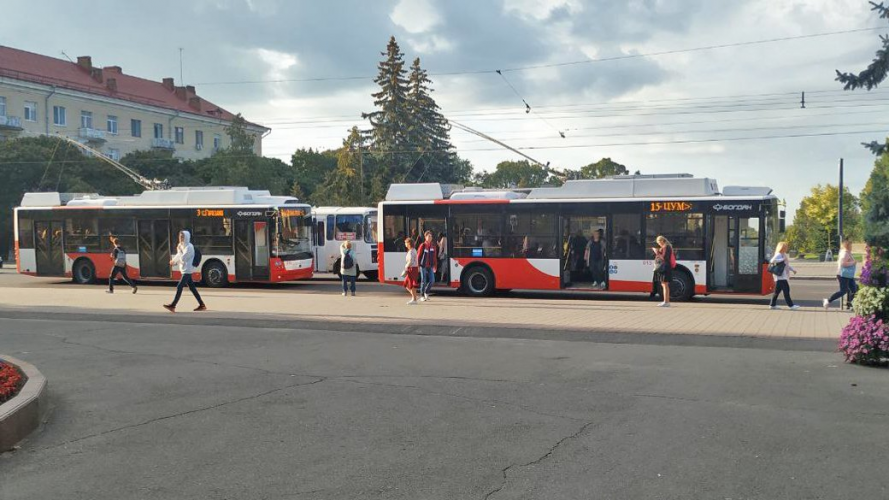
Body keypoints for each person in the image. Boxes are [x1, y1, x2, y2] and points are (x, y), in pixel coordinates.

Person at [163, 230, 206, 312]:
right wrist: (173, 260)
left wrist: (178, 255)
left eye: (182, 236)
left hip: (188, 269)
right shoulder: (181, 245)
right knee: (192, 288)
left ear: (186, 237)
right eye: (180, 236)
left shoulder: (189, 247)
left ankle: (173, 305)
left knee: (179, 286)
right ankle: (202, 304)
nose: (181, 238)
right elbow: (179, 255)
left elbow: (183, 258)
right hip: (183, 269)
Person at [824, 239, 857, 310]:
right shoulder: (845, 253)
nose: (852, 246)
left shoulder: (846, 252)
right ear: (847, 245)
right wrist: (853, 263)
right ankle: (828, 300)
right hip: (843, 275)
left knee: (854, 289)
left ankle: (851, 305)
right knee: (843, 291)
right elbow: (843, 263)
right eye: (851, 245)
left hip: (848, 275)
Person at [769, 241, 800, 310]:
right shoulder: (779, 254)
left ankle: (772, 305)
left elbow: (786, 265)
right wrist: (782, 259)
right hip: (780, 276)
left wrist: (792, 270)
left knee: (776, 292)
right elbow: (772, 261)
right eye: (785, 247)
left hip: (781, 276)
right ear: (782, 247)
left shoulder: (783, 254)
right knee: (786, 290)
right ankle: (791, 305)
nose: (787, 248)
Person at [652, 236, 674, 307]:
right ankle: (665, 301)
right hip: (666, 267)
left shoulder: (666, 247)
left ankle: (666, 302)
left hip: (665, 268)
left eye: (659, 242)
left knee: (665, 285)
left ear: (662, 241)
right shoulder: (667, 247)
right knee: (664, 284)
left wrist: (657, 252)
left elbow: (664, 258)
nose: (658, 244)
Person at [417, 231, 438, 301]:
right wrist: (418, 266)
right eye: (428, 236)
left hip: (430, 266)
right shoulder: (422, 245)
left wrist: (435, 266)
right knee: (424, 281)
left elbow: (434, 257)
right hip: (423, 265)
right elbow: (418, 256)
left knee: (432, 280)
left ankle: (426, 292)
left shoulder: (433, 246)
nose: (430, 237)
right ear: (425, 237)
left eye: (431, 236)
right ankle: (422, 296)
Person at [401, 237, 420, 305]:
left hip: (412, 268)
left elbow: (411, 261)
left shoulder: (412, 251)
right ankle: (414, 297)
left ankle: (414, 299)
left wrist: (406, 267)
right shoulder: (413, 250)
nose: (405, 244)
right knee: (406, 283)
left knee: (411, 284)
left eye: (406, 243)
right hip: (413, 268)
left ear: (409, 243)